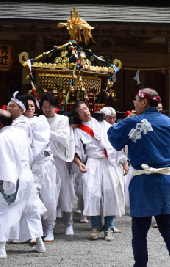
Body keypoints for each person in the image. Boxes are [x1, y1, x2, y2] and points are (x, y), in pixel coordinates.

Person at [108, 88, 170, 267]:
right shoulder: (168, 121)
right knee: (168, 230)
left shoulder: (132, 122)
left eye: (136, 100)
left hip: (143, 181)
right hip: (165, 181)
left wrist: (126, 122)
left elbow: (115, 139)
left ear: (144, 102)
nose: (134, 104)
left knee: (140, 232)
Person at [0, 110, 46, 259]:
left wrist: (1, 180)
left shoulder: (1, 138)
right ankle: (39, 242)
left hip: (11, 176)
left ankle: (0, 249)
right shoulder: (21, 134)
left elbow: (1, 162)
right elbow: (30, 156)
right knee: (30, 208)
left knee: (2, 211)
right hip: (26, 175)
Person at [73, 101, 121, 242]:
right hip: (92, 161)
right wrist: (80, 163)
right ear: (78, 115)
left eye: (86, 108)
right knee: (92, 193)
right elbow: (75, 150)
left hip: (107, 161)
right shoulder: (79, 130)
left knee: (109, 192)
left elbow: (115, 141)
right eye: (81, 110)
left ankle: (109, 227)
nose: (85, 111)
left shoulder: (103, 124)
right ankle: (95, 226)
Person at [24, 94, 61, 242]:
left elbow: (39, 141)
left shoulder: (41, 121)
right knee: (31, 198)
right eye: (26, 106)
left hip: (44, 163)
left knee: (49, 197)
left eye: (32, 106)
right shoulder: (18, 122)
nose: (29, 108)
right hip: (28, 166)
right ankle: (33, 231)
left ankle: (49, 228)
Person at [41, 93, 78, 231]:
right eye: (44, 106)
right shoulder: (40, 120)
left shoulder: (62, 119)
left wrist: (46, 133)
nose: (46, 109)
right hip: (44, 160)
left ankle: (68, 224)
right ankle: (47, 225)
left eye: (49, 106)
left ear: (55, 107)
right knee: (47, 191)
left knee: (65, 189)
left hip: (59, 159)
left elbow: (63, 138)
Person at [100, 106, 128, 233]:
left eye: (114, 118)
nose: (112, 120)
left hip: (116, 164)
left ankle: (111, 222)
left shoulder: (116, 128)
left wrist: (124, 163)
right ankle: (102, 221)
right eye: (109, 118)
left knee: (117, 190)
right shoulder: (100, 128)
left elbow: (120, 147)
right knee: (105, 192)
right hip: (103, 164)